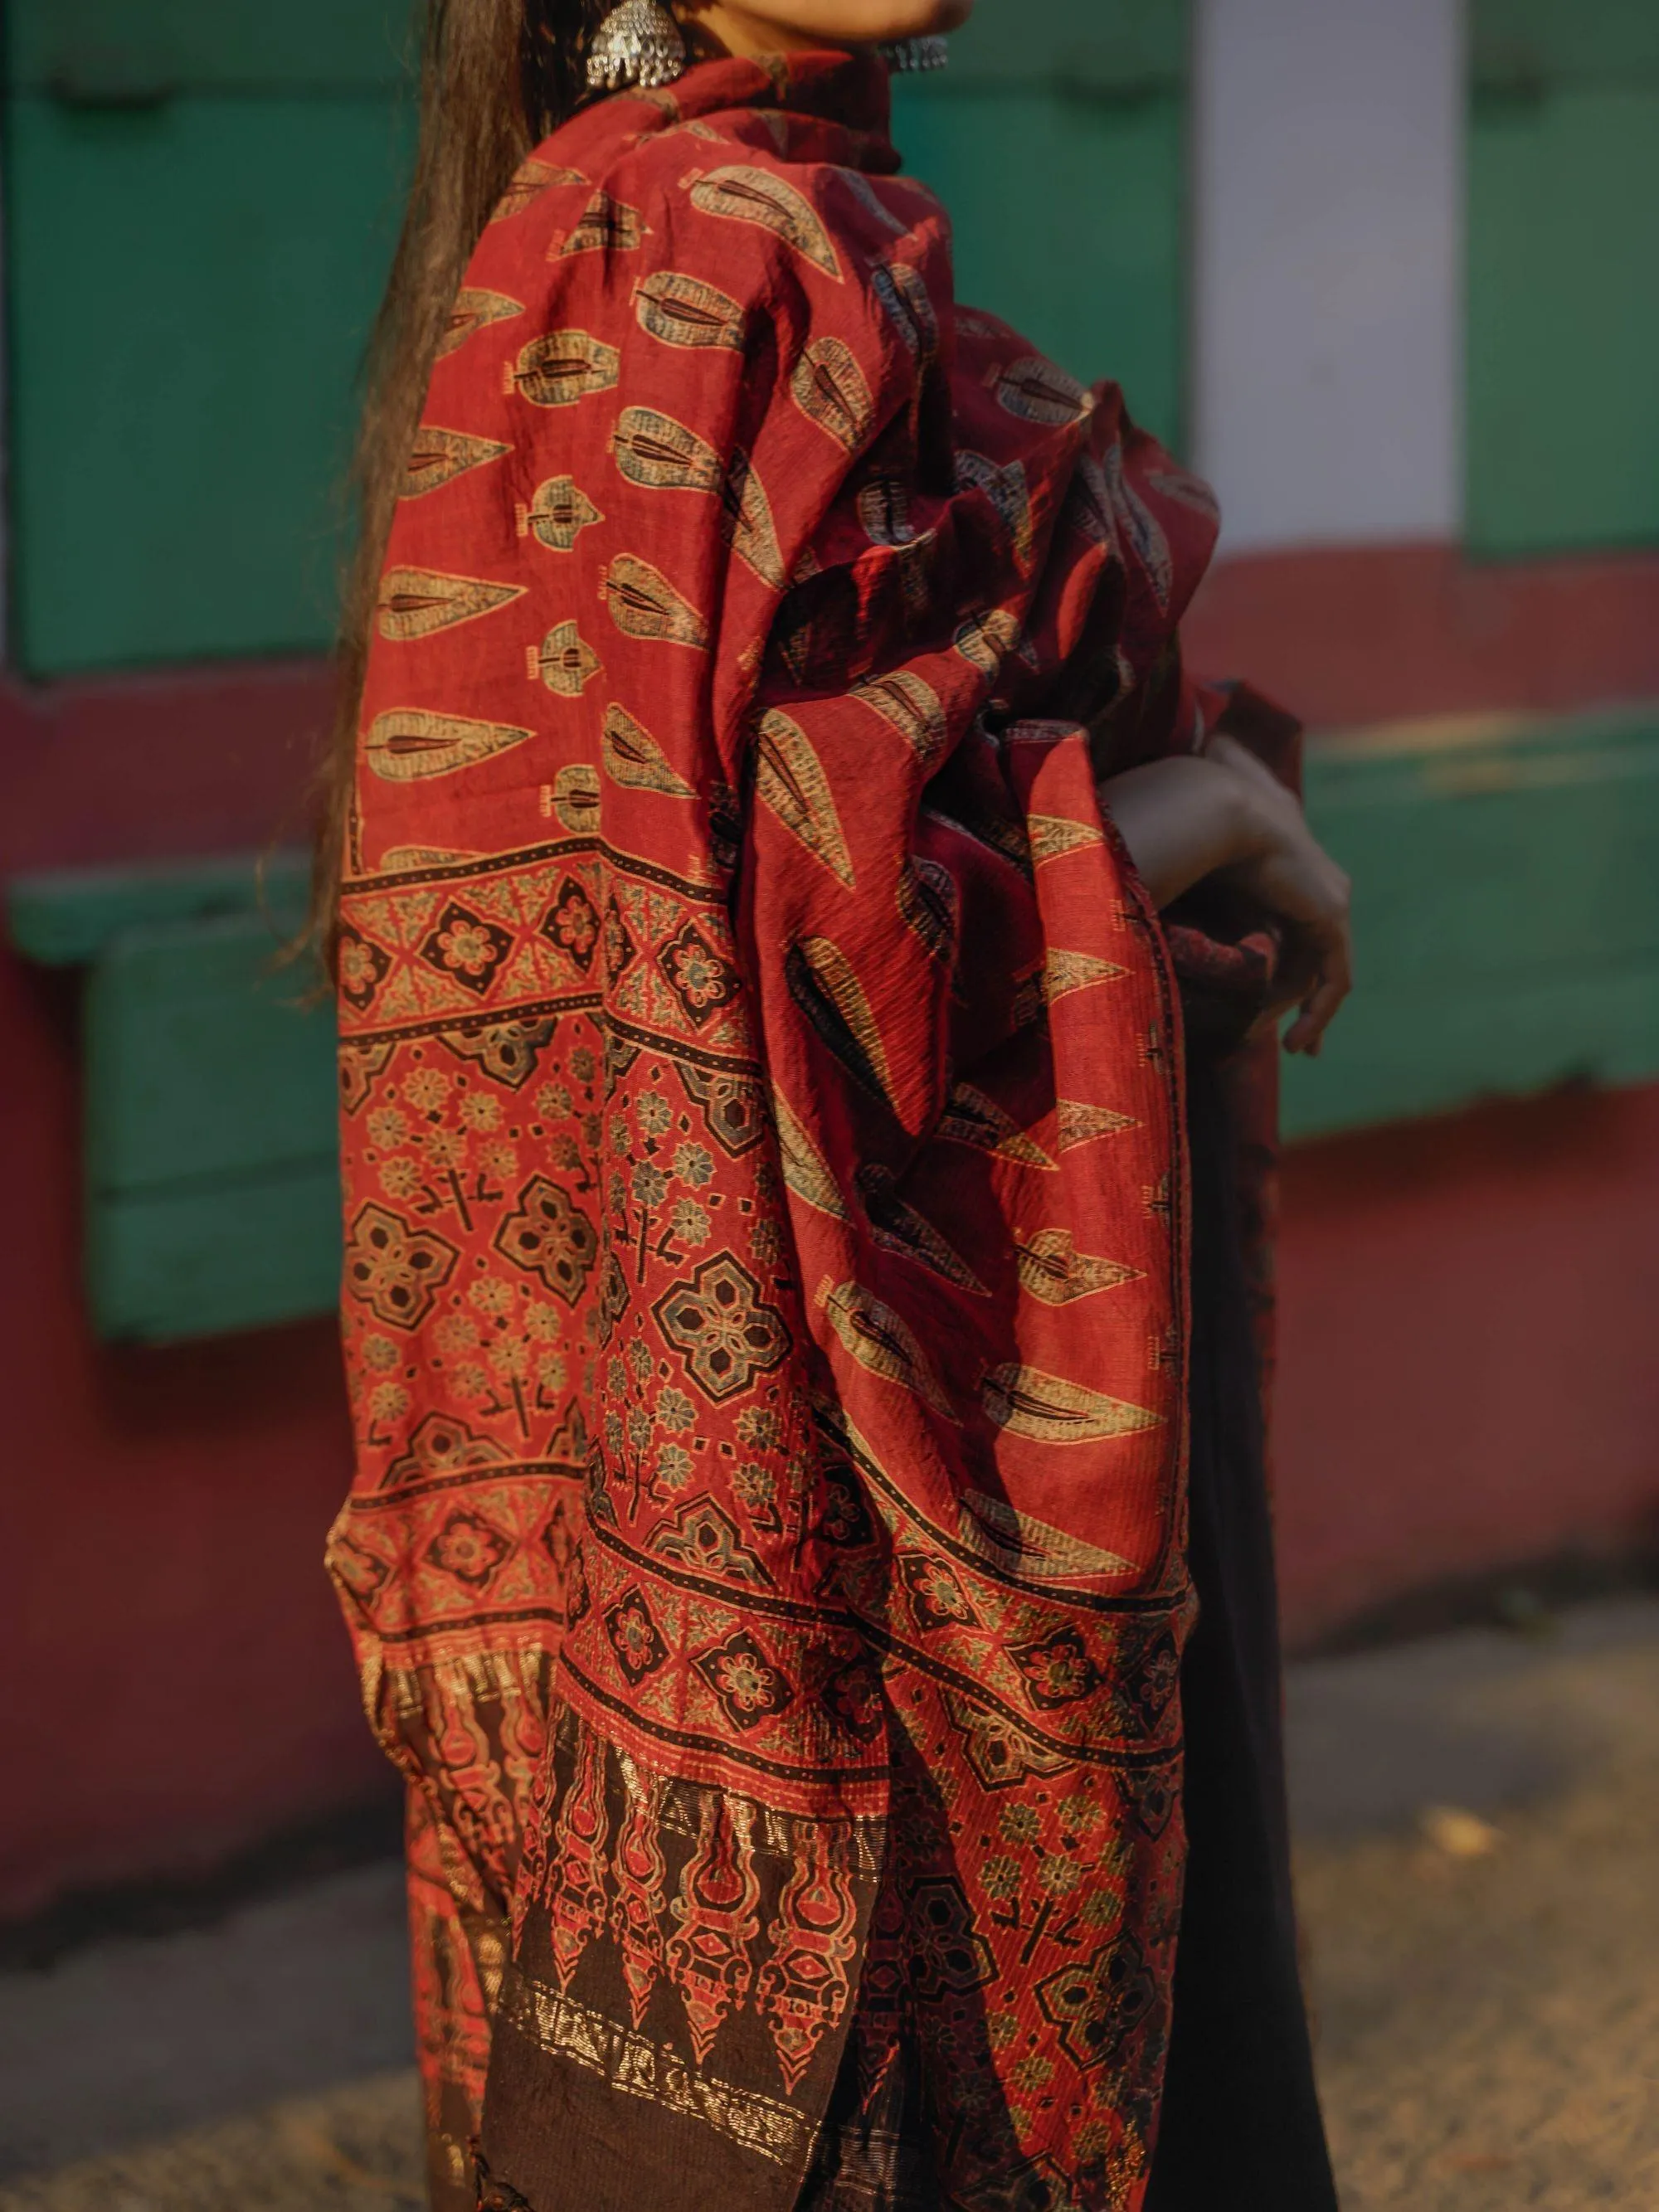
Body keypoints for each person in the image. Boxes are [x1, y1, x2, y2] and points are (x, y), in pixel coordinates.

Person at [318, 3, 1353, 2207]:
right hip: (856, 1522)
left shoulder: (668, 220)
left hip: (790, 1433)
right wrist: (1194, 813)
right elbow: (802, 934)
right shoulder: (705, 239)